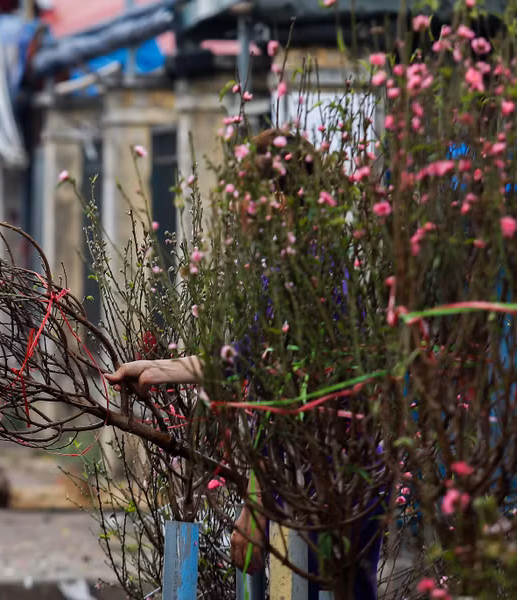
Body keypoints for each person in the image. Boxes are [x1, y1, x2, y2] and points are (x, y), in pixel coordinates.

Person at [105, 129, 384, 600]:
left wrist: (259, 506)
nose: (235, 209)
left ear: (278, 197)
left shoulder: (310, 272)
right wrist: (160, 368)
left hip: (325, 482)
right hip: (325, 478)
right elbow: (249, 356)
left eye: (244, 195)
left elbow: (289, 401)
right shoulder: (299, 263)